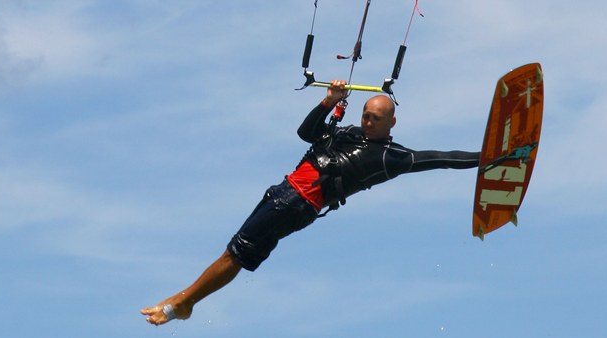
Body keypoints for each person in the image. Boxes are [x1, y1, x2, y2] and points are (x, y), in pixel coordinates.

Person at [141, 80, 481, 325]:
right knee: (236, 254)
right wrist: (329, 101)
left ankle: (183, 302)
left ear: (392, 122)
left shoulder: (390, 158)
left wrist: (486, 157)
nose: (367, 121)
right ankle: (185, 300)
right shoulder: (348, 133)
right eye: (365, 115)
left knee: (236, 252)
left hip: (296, 203)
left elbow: (440, 157)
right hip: (281, 192)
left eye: (375, 118)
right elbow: (306, 133)